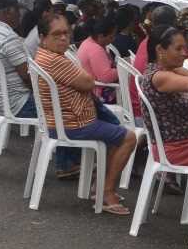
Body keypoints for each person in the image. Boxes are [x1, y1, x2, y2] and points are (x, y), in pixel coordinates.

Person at [34, 12, 137, 215]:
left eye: (66, 33)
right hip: (73, 124)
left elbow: (85, 80)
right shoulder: (56, 60)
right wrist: (83, 80)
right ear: (43, 37)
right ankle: (106, 193)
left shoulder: (44, 55)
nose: (64, 38)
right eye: (57, 34)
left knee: (114, 129)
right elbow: (89, 82)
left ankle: (98, 186)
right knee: (129, 138)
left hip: (63, 120)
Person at [140, 26, 188, 168]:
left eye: (185, 48)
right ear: (159, 50)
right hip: (178, 150)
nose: (185, 53)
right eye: (178, 49)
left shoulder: (168, 70)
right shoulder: (159, 76)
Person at [0, 0, 36, 118]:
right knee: (68, 103)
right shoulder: (7, 37)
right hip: (20, 103)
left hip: (4, 100)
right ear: (8, 12)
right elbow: (27, 76)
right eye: (17, 10)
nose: (20, 15)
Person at [77, 15, 119, 101]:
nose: (113, 39)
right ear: (101, 36)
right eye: (111, 37)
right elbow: (106, 77)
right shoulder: (95, 49)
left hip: (92, 88)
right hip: (98, 93)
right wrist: (121, 70)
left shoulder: (89, 42)